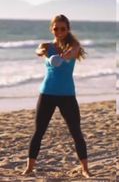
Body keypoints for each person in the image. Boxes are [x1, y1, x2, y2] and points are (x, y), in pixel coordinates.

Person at [22, 14, 91, 178]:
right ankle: (29, 167)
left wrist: (63, 56)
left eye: (62, 28)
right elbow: (37, 50)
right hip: (46, 93)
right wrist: (41, 51)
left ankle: (85, 169)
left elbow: (72, 53)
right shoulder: (46, 46)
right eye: (56, 28)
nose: (59, 31)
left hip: (67, 95)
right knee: (39, 131)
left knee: (76, 132)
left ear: (68, 29)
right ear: (51, 29)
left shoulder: (73, 45)